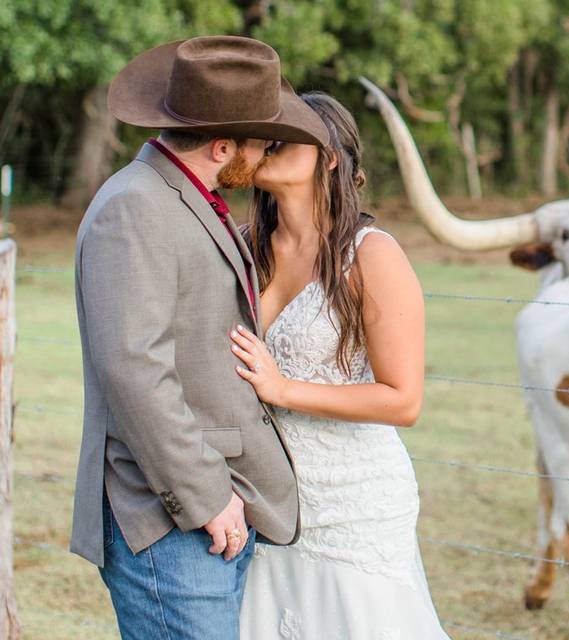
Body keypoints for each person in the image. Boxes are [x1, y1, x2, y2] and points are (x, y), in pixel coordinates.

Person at [71, 36, 332, 640]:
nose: (266, 152)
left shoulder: (186, 200)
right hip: (170, 519)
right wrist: (207, 497)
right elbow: (134, 369)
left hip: (209, 509)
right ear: (222, 146)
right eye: (259, 141)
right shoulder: (134, 208)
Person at [233, 91, 450, 638]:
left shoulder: (370, 254)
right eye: (265, 136)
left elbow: (403, 399)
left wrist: (284, 389)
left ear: (330, 157)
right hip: (267, 502)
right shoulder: (243, 247)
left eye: (287, 136)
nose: (267, 145)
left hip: (355, 505)